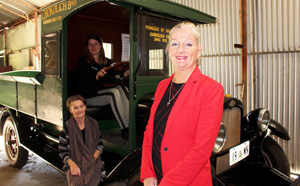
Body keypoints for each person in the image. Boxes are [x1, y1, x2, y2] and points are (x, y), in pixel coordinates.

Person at [140, 22, 224, 186]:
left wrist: (168, 183)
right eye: (175, 44)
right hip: (156, 178)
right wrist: (148, 173)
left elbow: (202, 150)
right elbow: (149, 133)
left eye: (188, 44)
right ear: (168, 50)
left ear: (198, 51)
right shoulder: (162, 86)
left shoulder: (211, 89)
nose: (180, 50)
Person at [77, 34, 129, 138]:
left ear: (100, 46)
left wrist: (124, 74)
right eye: (90, 44)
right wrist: (96, 76)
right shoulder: (83, 62)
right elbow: (84, 82)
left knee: (122, 89)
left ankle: (130, 122)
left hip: (102, 93)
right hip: (89, 95)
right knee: (113, 93)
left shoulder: (107, 62)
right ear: (87, 47)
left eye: (95, 44)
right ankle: (125, 128)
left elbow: (112, 77)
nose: (93, 47)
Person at [59, 95, 105, 186]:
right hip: (75, 162)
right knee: (76, 180)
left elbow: (100, 144)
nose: (79, 110)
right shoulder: (67, 128)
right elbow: (63, 151)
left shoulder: (93, 124)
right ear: (70, 110)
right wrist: (72, 165)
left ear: (85, 107)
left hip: (92, 160)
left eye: (81, 106)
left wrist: (93, 158)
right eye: (75, 108)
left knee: (94, 178)